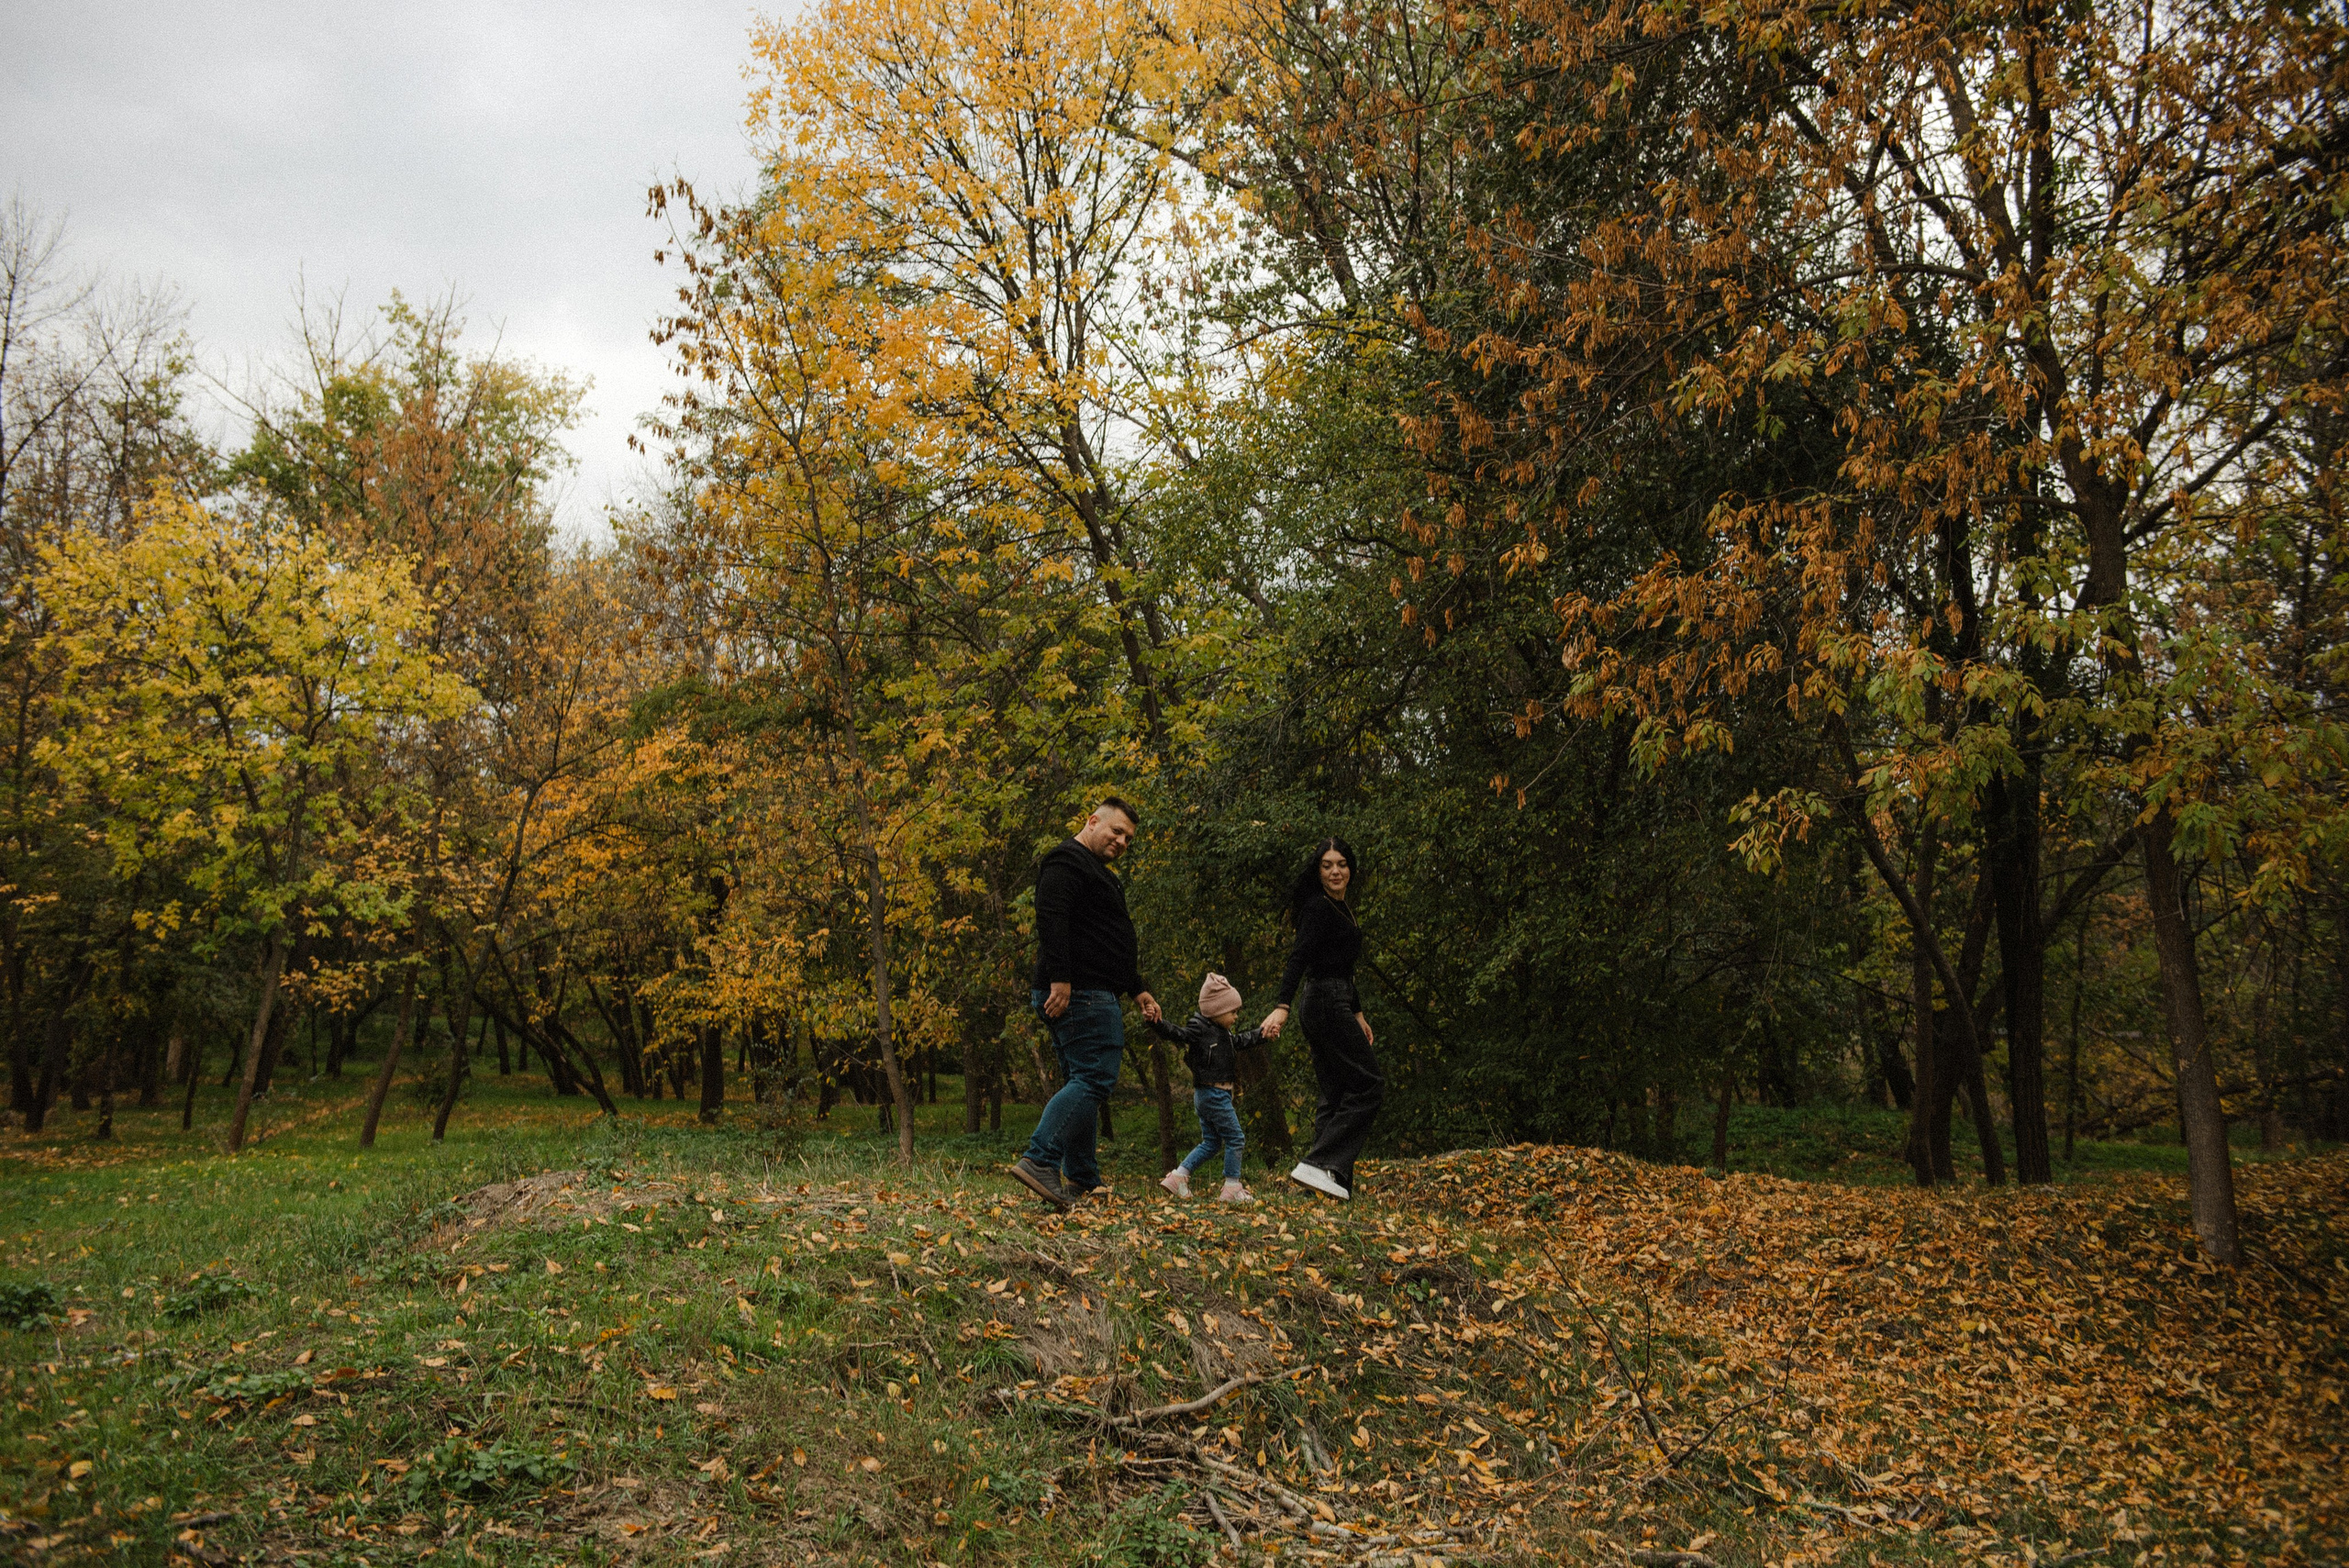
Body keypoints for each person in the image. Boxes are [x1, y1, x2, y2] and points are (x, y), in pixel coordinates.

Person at [1010, 797, 1162, 1208]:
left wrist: (1137, 987)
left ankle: (1082, 1179)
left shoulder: (1098, 872)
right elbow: (1050, 915)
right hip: (1079, 992)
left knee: (1083, 1082)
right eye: (1116, 831)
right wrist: (1062, 979)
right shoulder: (1067, 860)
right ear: (1092, 821)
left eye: (1129, 838)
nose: (1122, 842)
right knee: (1094, 1078)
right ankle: (1040, 1160)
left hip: (1091, 989)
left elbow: (1104, 938)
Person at [1259, 837, 1381, 1200]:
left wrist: (1358, 1012)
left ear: (1351, 869)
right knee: (1369, 1085)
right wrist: (1281, 1005)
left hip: (1335, 999)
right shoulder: (1318, 908)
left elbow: (1344, 966)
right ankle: (1319, 1163)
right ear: (1318, 871)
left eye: (1341, 864)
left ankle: (1326, 1184)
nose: (1335, 871)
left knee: (1335, 1091)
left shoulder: (1342, 909)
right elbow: (1299, 958)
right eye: (1327, 865)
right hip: (1324, 1001)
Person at [1147, 973, 1262, 1205]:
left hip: (1210, 1094)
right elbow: (1177, 1033)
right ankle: (1232, 1187)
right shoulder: (1199, 1029)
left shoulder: (1224, 1034)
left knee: (1211, 1142)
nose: (1236, 1016)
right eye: (1233, 1012)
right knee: (1236, 1138)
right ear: (1217, 1011)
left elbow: (1240, 1042)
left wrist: (1262, 1035)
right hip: (1213, 1094)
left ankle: (1179, 1177)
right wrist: (1156, 1023)